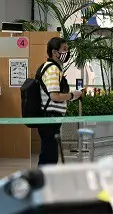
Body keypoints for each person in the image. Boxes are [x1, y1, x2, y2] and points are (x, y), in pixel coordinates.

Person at [36, 37, 82, 165]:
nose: (67, 53)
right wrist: (72, 95)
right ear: (54, 52)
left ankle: (46, 182)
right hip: (49, 118)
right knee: (49, 157)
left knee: (49, 154)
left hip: (51, 119)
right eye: (64, 49)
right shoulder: (52, 70)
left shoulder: (53, 68)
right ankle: (45, 183)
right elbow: (54, 96)